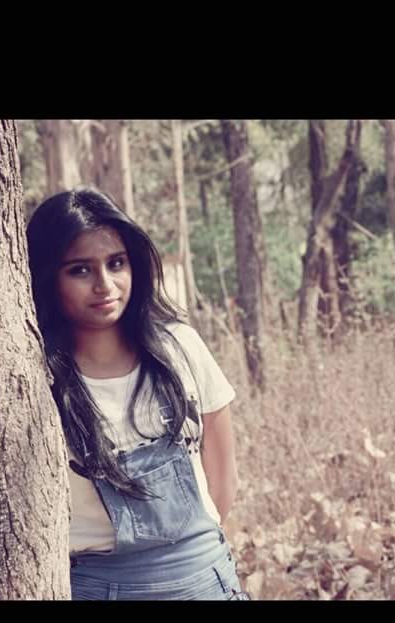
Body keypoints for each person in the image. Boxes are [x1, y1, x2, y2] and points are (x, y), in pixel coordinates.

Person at [26, 186, 249, 600]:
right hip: (99, 586)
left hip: (205, 578)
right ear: (47, 276)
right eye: (80, 270)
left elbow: (224, 477)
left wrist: (183, 566)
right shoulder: (35, 378)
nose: (104, 285)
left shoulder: (181, 347)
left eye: (116, 263)